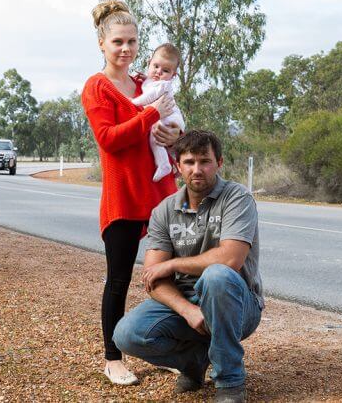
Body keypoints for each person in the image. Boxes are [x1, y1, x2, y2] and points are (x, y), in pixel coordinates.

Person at [112, 130, 264, 403]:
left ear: (219, 162)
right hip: (187, 304)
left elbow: (231, 259)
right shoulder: (164, 210)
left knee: (216, 276)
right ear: (177, 165)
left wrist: (173, 264)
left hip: (238, 304)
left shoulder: (237, 198)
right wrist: (188, 310)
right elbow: (153, 276)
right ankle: (194, 362)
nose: (197, 169)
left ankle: (230, 381)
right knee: (126, 334)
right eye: (190, 162)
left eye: (204, 161)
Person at [81, 0, 181, 386]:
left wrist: (175, 133)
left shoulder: (146, 82)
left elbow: (170, 129)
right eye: (118, 41)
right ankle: (113, 358)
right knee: (119, 278)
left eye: (133, 42)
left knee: (169, 276)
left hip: (160, 194)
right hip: (123, 197)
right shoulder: (97, 87)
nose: (126, 49)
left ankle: (166, 350)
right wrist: (153, 114)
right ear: (102, 45)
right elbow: (109, 140)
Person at [132, 43, 186, 182]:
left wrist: (132, 102)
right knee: (157, 136)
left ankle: (164, 165)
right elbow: (150, 85)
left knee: (155, 135)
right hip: (171, 118)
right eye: (156, 66)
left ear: (173, 75)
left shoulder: (162, 84)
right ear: (149, 63)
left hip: (171, 118)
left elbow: (148, 97)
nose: (158, 72)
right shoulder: (151, 82)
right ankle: (171, 164)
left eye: (165, 70)